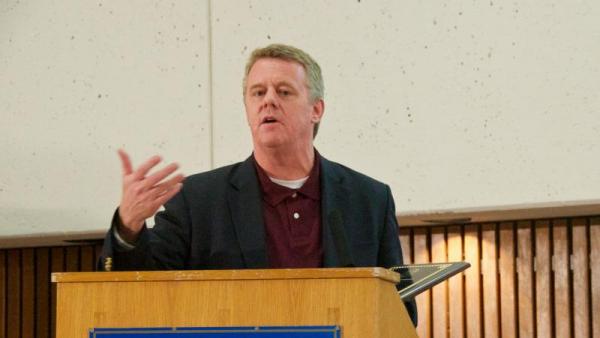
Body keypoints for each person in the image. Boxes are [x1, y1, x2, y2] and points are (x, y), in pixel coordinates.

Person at [99, 43, 417, 325]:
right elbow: (138, 296)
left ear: (316, 110)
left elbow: (402, 314)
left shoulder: (368, 200)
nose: (268, 101)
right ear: (248, 108)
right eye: (258, 92)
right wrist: (127, 227)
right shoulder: (199, 201)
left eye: (284, 91)